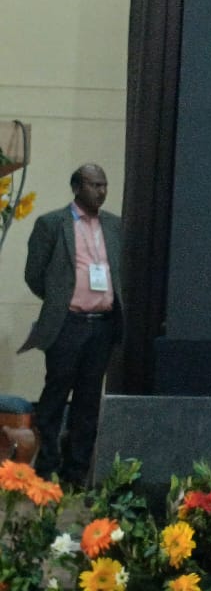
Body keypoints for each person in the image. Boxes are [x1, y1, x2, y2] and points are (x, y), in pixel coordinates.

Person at [19, 164, 124, 485]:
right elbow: (34, 275)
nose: (101, 191)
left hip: (103, 325)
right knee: (55, 395)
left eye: (104, 185)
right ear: (77, 187)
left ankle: (76, 475)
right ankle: (46, 467)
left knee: (88, 403)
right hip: (67, 323)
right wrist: (59, 299)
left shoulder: (114, 225)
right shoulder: (52, 223)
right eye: (94, 185)